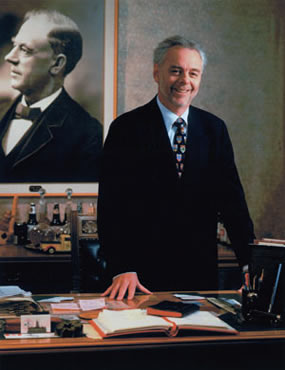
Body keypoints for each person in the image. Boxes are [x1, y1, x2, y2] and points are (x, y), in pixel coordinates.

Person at [97, 35, 255, 300]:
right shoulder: (126, 129)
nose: (185, 81)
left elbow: (233, 203)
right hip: (138, 278)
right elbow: (111, 206)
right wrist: (122, 266)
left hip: (199, 276)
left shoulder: (214, 130)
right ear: (156, 72)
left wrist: (249, 263)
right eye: (176, 71)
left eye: (193, 73)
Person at [0, 9, 102, 182]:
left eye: (25, 50)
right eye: (13, 45)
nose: (10, 57)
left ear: (57, 63)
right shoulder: (3, 111)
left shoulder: (87, 134)